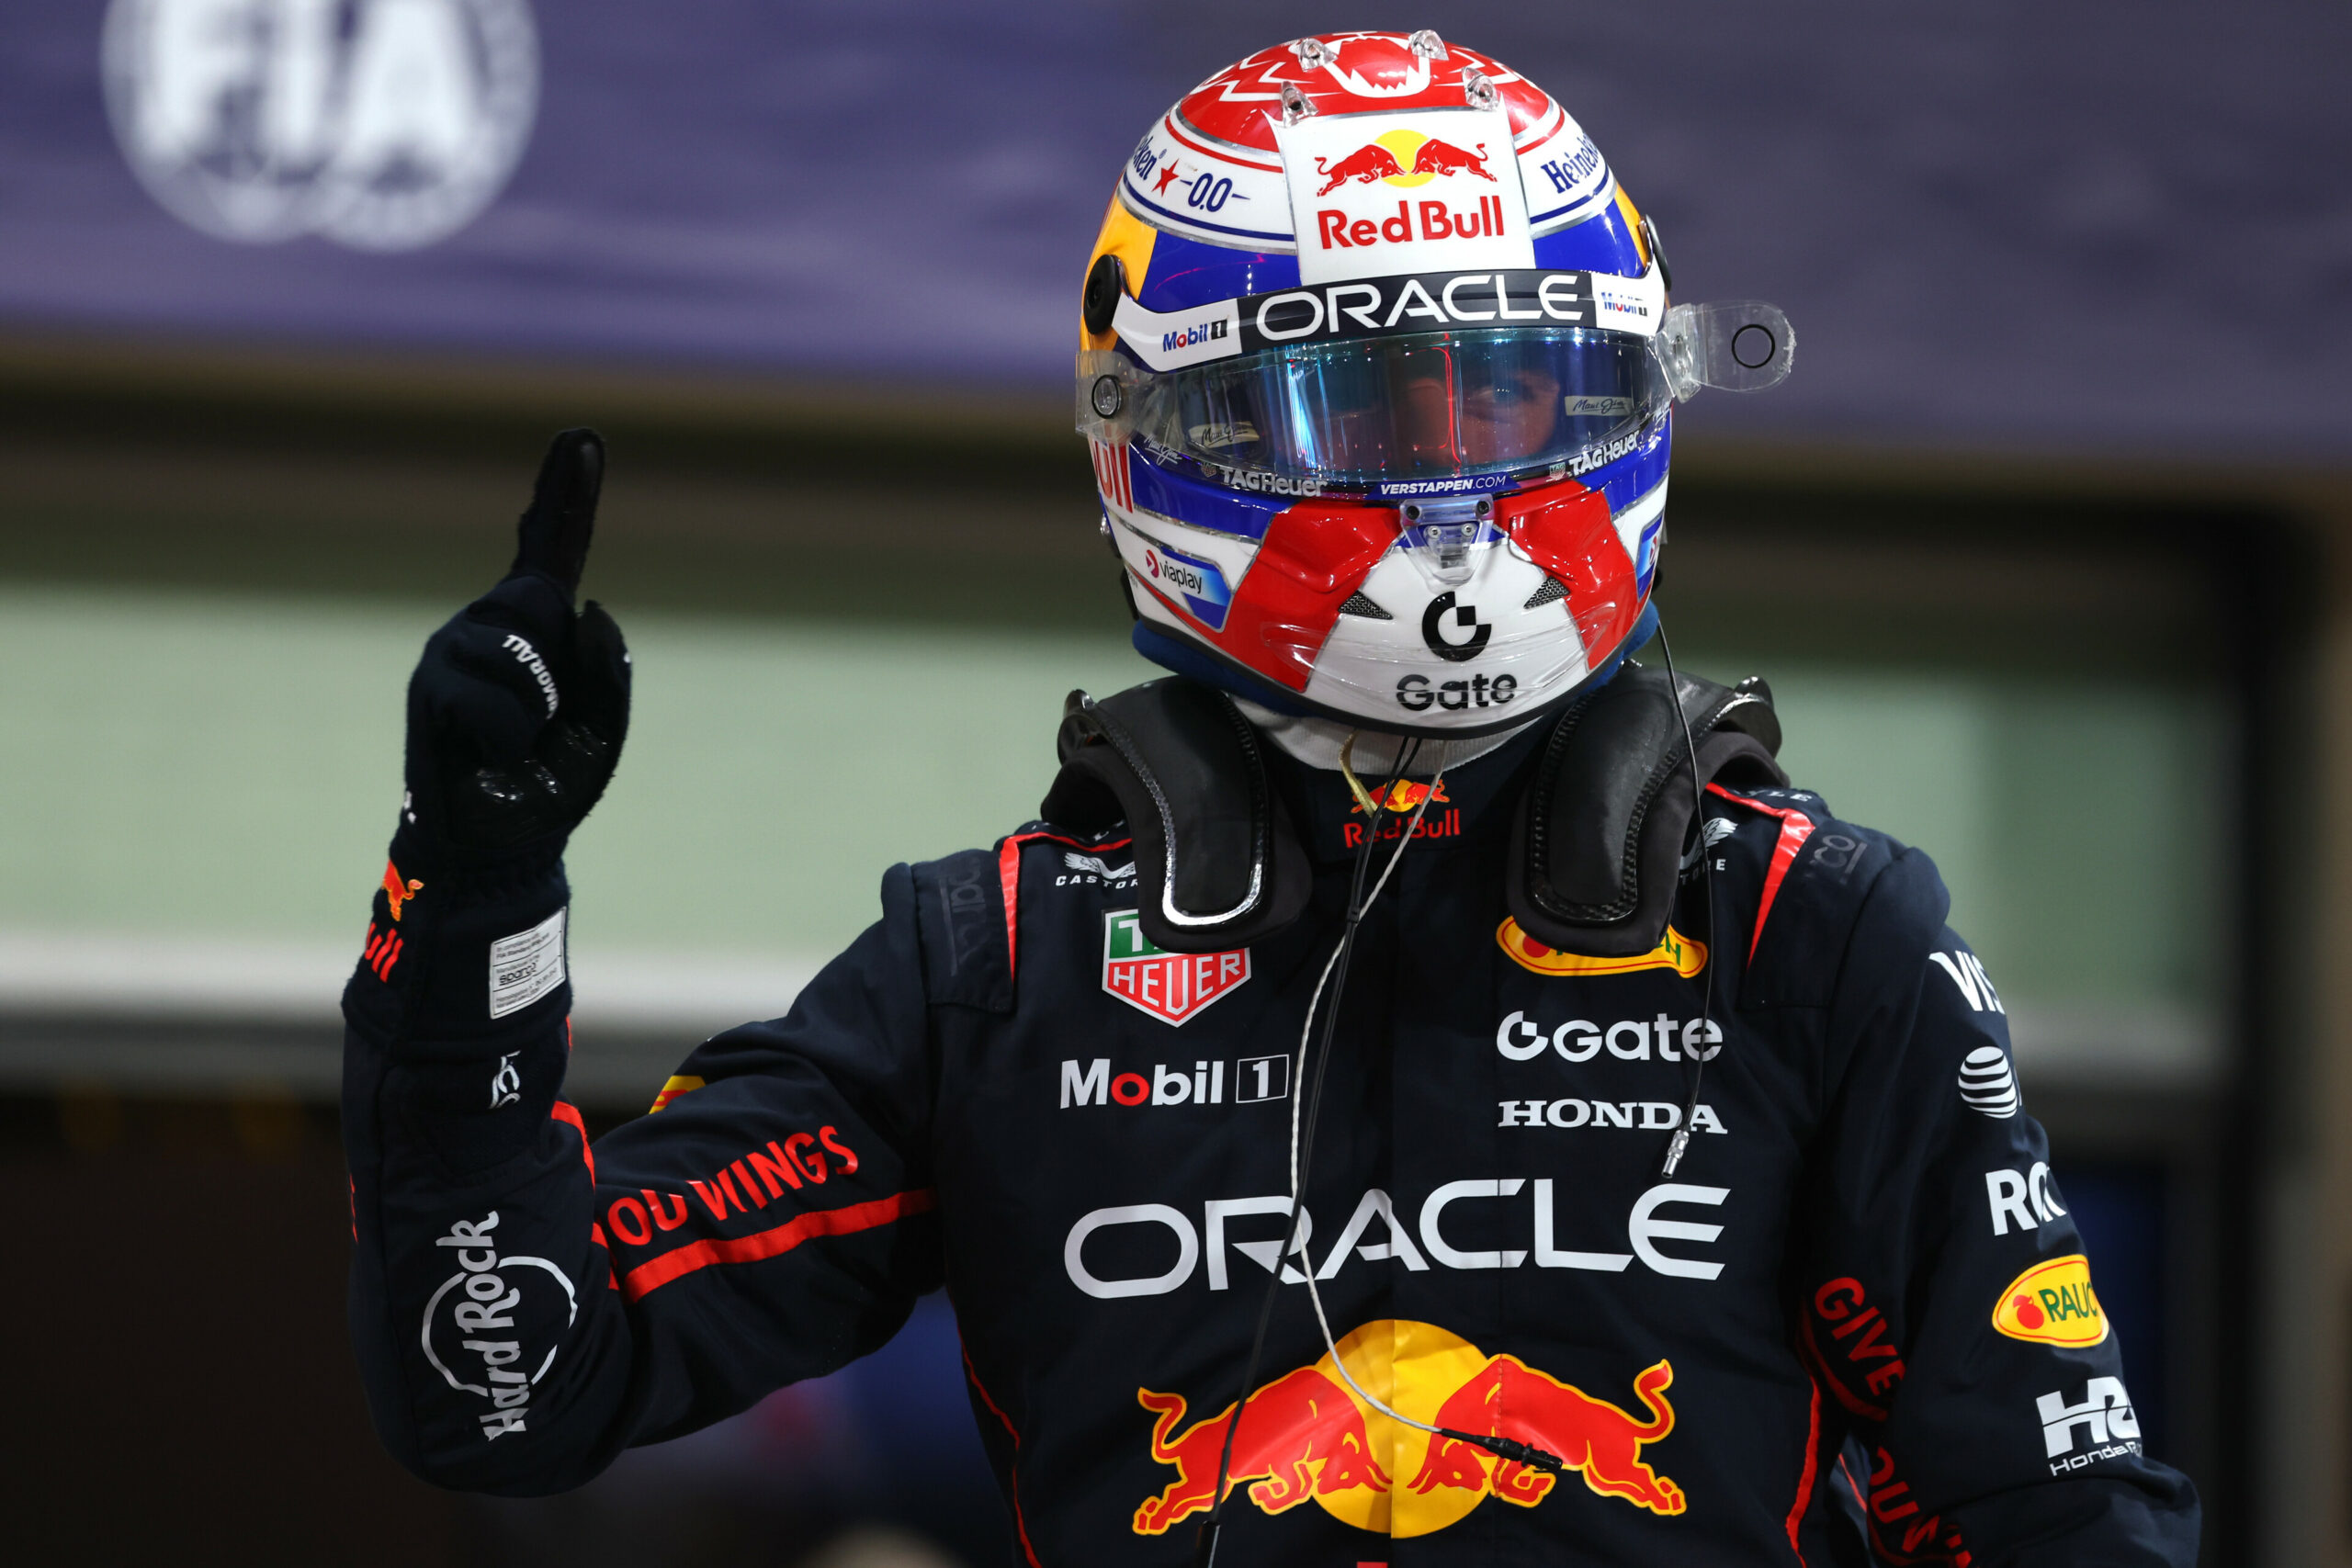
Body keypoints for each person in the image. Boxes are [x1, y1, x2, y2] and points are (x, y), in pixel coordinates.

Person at [342, 30, 2199, 1565]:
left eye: (1520, 397)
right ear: (1166, 431)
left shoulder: (1803, 929)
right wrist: (476, 894)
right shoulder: (997, 966)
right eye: (1372, 412)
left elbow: (2053, 1516)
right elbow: (503, 1385)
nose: (1456, 488)